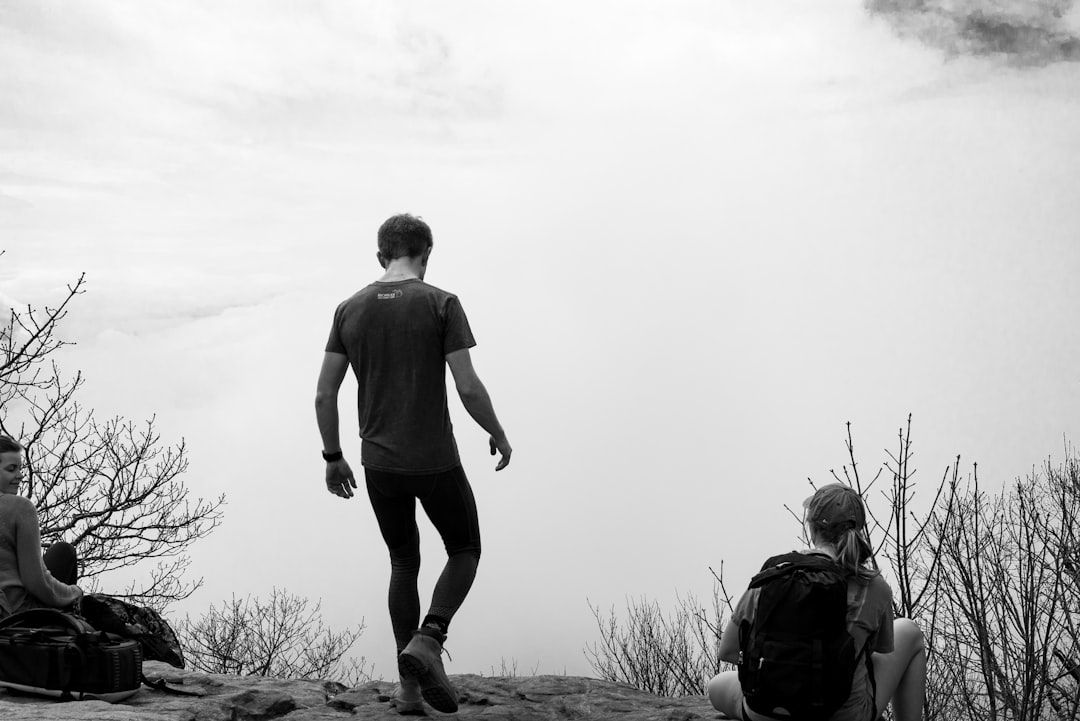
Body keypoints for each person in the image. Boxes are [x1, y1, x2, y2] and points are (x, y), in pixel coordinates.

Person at [315, 213, 511, 715]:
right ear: (426, 254)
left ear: (381, 256)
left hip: (378, 464)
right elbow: (467, 385)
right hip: (435, 460)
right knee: (465, 547)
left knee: (404, 561)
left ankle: (408, 693)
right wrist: (497, 431)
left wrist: (333, 457)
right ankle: (430, 637)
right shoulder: (441, 303)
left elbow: (324, 394)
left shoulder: (348, 309)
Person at [707, 483, 927, 721]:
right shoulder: (874, 587)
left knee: (716, 684)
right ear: (858, 529)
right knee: (909, 630)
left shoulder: (775, 574)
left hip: (766, 712)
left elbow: (728, 650)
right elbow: (876, 655)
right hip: (841, 715)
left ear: (810, 527)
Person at [0, 435, 83, 619]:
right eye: (11, 469)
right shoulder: (20, 508)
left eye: (20, 468)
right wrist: (75, 593)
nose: (20, 475)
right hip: (18, 614)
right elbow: (36, 582)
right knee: (64, 551)